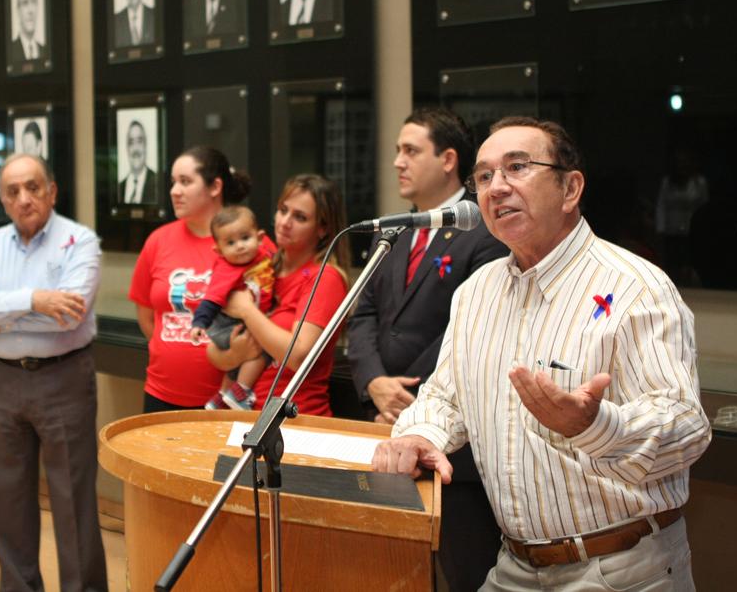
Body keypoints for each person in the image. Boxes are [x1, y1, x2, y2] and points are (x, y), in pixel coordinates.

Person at [372, 116, 711, 591]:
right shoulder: (476, 293)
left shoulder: (636, 288)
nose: (496, 188)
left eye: (517, 168)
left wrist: (593, 426)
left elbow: (686, 429)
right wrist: (419, 435)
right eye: (485, 176)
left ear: (570, 188)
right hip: (513, 565)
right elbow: (446, 398)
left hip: (622, 567)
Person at [347, 108, 507, 591]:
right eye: (397, 150)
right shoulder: (391, 230)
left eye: (410, 150)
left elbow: (468, 328)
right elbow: (364, 315)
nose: (398, 161)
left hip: (450, 437)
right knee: (395, 571)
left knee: (461, 571)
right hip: (383, 420)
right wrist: (374, 382)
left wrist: (408, 400)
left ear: (448, 159)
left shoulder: (483, 230)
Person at [0, 154, 109, 592]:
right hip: (2, 380)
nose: (24, 198)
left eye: (33, 187)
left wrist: (1, 314)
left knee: (72, 499)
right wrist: (35, 300)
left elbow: (71, 315)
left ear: (52, 191)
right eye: (13, 191)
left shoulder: (80, 242)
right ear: (3, 200)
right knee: (8, 497)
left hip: (64, 379)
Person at [213, 174, 349, 417]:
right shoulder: (262, 266)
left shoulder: (325, 277)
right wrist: (235, 354)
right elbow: (213, 351)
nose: (285, 222)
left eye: (300, 217)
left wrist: (246, 310)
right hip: (244, 415)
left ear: (323, 229)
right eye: (283, 210)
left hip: (292, 420)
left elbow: (299, 355)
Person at [129, 146, 251, 412]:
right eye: (173, 182)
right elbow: (146, 315)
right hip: (160, 391)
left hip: (222, 400)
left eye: (185, 182)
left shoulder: (245, 246)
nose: (174, 191)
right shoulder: (158, 240)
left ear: (215, 187)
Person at [189, 205, 277, 411]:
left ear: (260, 237)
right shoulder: (228, 269)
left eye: (245, 238)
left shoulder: (265, 254)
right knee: (261, 349)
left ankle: (221, 397)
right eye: (230, 243)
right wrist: (200, 322)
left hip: (243, 318)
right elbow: (212, 298)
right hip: (227, 325)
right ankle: (242, 392)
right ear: (218, 250)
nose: (239, 246)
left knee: (241, 359)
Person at [117, 120, 157, 205]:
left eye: (139, 141)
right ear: (127, 149)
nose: (135, 149)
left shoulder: (157, 183)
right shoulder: (119, 188)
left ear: (145, 145)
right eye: (131, 143)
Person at [9, 0, 44, 64]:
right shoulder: (10, 51)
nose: (30, 10)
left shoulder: (45, 50)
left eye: (34, 1)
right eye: (25, 2)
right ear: (18, 10)